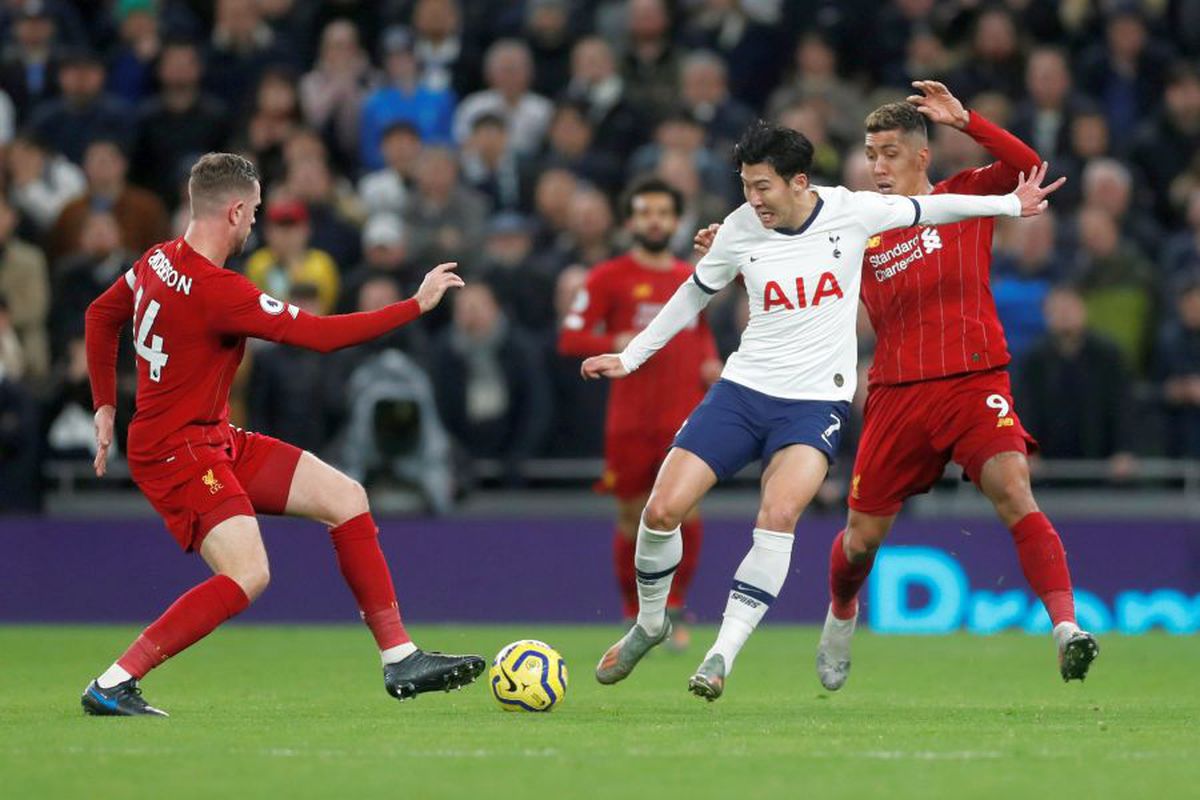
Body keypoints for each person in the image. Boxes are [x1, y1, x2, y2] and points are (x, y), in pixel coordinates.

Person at [587, 119, 1059, 702]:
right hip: (742, 391)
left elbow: (937, 210)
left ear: (798, 181)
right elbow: (694, 291)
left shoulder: (852, 212)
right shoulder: (738, 229)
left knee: (778, 516)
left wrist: (1012, 205)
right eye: (745, 186)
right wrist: (631, 358)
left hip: (814, 404)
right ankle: (651, 622)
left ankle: (720, 656)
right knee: (660, 510)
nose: (752, 199)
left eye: (762, 187)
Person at [698, 82, 1099, 689]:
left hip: (973, 380)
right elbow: (783, 249)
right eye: (869, 152)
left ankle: (1066, 626)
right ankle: (841, 613)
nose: (876, 165)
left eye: (888, 152)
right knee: (861, 540)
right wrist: (731, 248)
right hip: (896, 393)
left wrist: (968, 119)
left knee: (1014, 491)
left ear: (921, 156)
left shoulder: (966, 196)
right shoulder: (856, 222)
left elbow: (1028, 168)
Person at [81, 152, 481, 717]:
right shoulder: (219, 291)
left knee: (345, 498)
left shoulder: (156, 259)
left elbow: (101, 313)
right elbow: (320, 336)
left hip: (207, 436)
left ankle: (400, 657)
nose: (255, 225)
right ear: (237, 210)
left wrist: (104, 404)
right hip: (178, 451)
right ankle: (115, 682)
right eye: (256, 213)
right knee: (247, 573)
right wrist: (414, 305)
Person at [558, 177, 721, 649]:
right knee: (634, 517)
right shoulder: (608, 277)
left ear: (675, 221)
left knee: (684, 511)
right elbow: (571, 338)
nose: (654, 220)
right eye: (645, 212)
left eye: (663, 213)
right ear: (630, 221)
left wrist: (710, 360)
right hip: (630, 421)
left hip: (685, 417)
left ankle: (673, 610)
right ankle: (635, 613)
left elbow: (700, 331)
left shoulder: (694, 277)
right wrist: (614, 342)